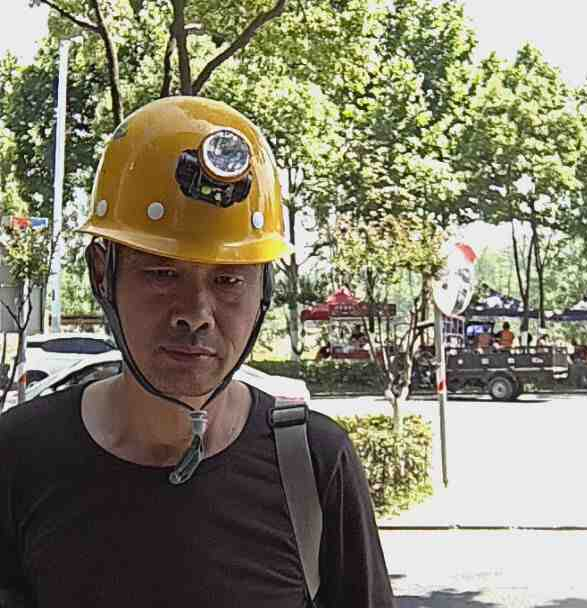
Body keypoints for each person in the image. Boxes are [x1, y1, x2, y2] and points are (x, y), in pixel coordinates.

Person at [0, 98, 394, 607]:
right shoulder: (18, 457)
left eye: (228, 280)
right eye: (162, 273)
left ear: (264, 289)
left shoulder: (315, 466)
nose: (196, 313)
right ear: (102, 272)